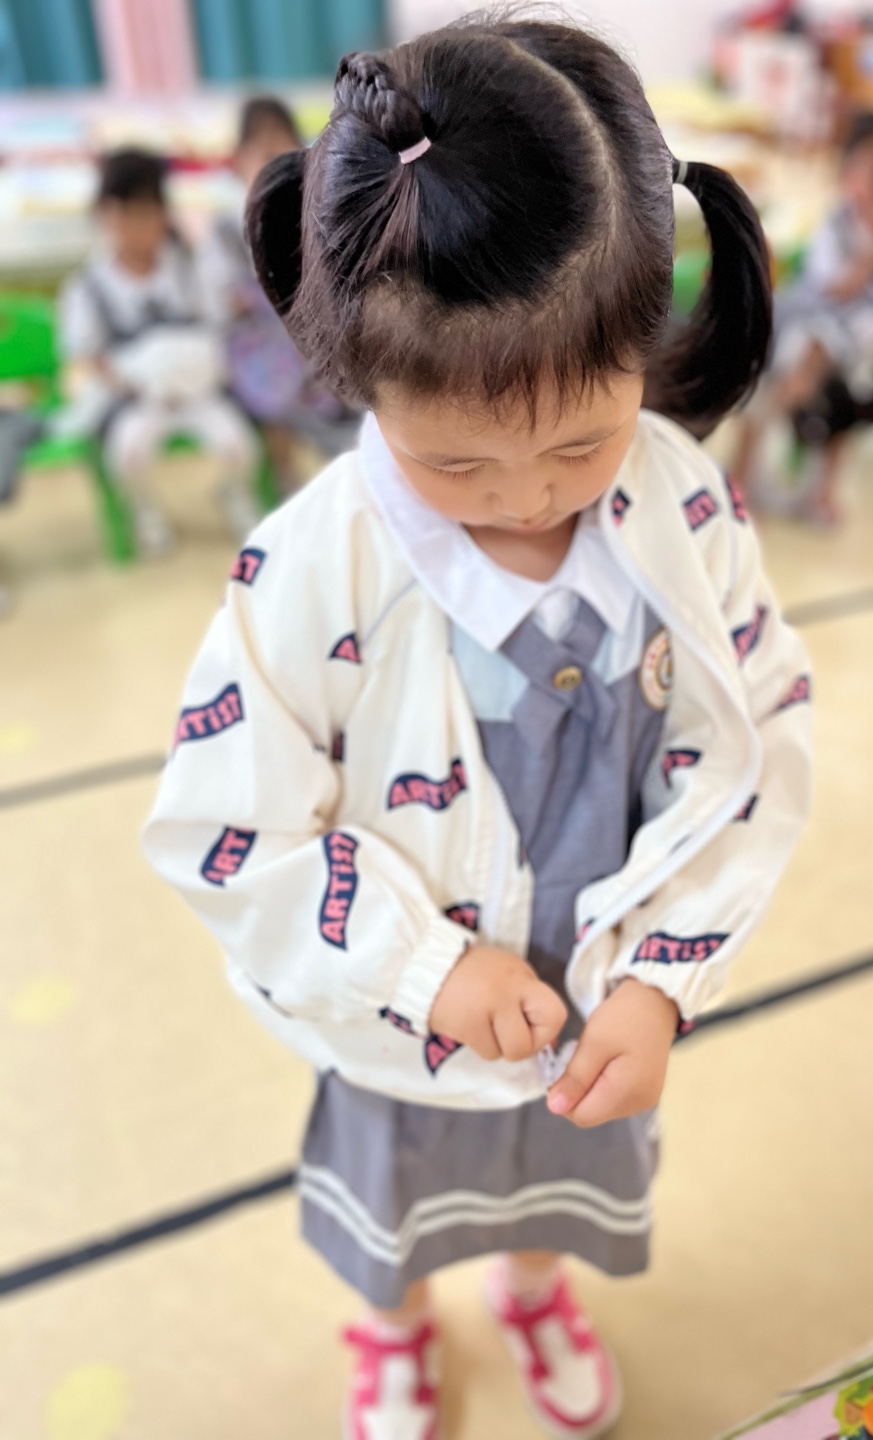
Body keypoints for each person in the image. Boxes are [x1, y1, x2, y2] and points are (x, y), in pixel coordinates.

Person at [143, 18, 812, 1440]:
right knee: (399, 1194)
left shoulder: (686, 507)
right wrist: (424, 969)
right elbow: (225, 828)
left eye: (581, 442)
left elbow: (753, 741)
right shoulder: (309, 567)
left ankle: (531, 1292)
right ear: (359, 376)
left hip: (594, 988)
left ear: (645, 338)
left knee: (552, 1168)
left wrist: (660, 976)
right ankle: (391, 1331)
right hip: (405, 1017)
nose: (526, 497)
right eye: (453, 461)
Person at [58, 148, 261, 556]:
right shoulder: (87, 287)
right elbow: (84, 357)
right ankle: (145, 511)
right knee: (128, 451)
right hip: (137, 400)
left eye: (147, 212)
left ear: (164, 214)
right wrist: (129, 380)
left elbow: (218, 322)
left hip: (198, 392)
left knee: (236, 443)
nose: (138, 226)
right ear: (104, 217)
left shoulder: (189, 266)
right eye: (125, 214)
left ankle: (233, 493)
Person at [733, 110, 873, 525]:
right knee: (789, 374)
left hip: (860, 343)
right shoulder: (835, 227)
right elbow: (835, 290)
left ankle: (821, 493)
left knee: (848, 400)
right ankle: (745, 476)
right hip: (811, 326)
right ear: (849, 174)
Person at [200, 96, 361, 494]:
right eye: (263, 154)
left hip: (312, 339)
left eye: (283, 150)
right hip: (259, 346)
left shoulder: (319, 218)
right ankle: (284, 478)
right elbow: (223, 298)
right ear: (239, 162)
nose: (273, 163)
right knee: (281, 388)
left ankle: (348, 474)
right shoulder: (226, 228)